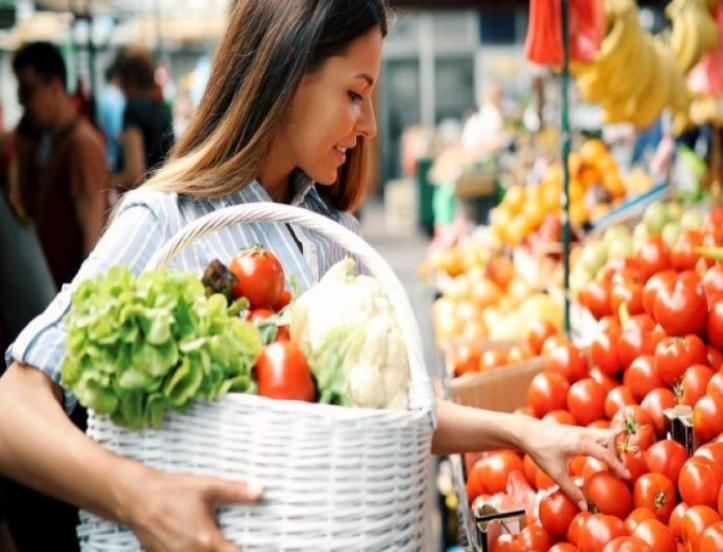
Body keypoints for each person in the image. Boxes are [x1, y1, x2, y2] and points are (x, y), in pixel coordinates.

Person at [0, 2, 625, 550]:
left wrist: (520, 431)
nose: (371, 125)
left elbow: (392, 411)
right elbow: (13, 409)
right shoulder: (165, 222)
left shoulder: (328, 233)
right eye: (355, 94)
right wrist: (139, 498)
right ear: (286, 76)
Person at [12, 42, 109, 287]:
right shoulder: (50, 140)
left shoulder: (80, 145)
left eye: (27, 91)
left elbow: (92, 240)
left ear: (54, 86)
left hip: (67, 295)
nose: (23, 103)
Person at [110, 46, 174, 192]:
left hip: (144, 199)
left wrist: (105, 182)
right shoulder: (161, 109)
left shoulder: (133, 110)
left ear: (130, 78)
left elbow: (133, 176)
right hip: (164, 194)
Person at [96, 64, 126, 171]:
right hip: (115, 155)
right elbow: (117, 133)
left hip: (104, 152)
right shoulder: (116, 98)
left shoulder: (101, 96)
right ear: (117, 78)